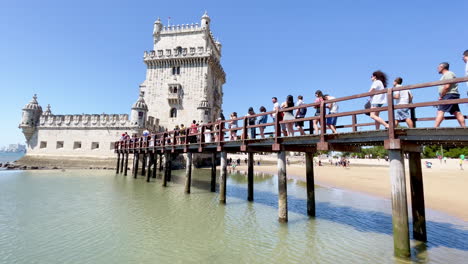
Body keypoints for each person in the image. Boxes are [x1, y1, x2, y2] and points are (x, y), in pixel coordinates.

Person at [434, 62, 465, 128]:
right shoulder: (446, 75)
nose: (437, 68)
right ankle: (464, 127)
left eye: (438, 67)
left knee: (440, 111)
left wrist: (441, 96)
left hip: (449, 94)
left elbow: (447, 86)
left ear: (442, 67)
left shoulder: (448, 74)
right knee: (456, 112)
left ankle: (435, 128)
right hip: (450, 94)